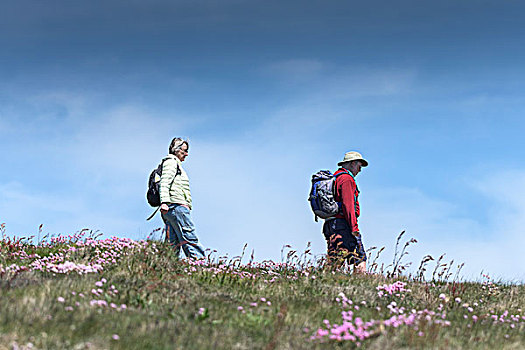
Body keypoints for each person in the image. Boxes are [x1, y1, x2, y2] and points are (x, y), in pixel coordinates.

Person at [159, 137, 206, 259]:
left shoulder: (174, 164)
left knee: (172, 243)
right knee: (188, 237)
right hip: (176, 206)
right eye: (184, 151)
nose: (186, 154)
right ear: (176, 150)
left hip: (172, 207)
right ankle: (200, 265)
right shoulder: (171, 162)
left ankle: (167, 266)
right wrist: (164, 201)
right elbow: (165, 182)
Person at [323, 151, 368, 273]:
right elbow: (348, 205)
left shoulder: (336, 177)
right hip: (343, 224)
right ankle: (361, 287)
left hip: (330, 224)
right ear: (353, 163)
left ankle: (323, 282)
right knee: (360, 258)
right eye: (359, 166)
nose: (360, 170)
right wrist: (354, 228)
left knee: (335, 259)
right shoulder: (346, 179)